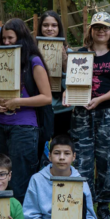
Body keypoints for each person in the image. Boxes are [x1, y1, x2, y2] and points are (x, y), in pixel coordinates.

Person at [64, 12, 110, 219]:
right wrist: (67, 93)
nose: (101, 31)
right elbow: (71, 82)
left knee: (108, 159)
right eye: (97, 27)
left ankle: (104, 206)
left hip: (108, 112)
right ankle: (85, 204)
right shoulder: (80, 54)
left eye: (105, 27)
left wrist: (99, 100)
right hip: (82, 113)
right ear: (91, 30)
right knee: (82, 159)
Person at [0, 19, 52, 204]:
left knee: (20, 179)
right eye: (4, 39)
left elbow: (47, 97)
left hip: (24, 128)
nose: (7, 42)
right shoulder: (1, 60)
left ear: (22, 38)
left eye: (11, 38)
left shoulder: (33, 61)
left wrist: (18, 101)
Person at [23, 135, 98, 219]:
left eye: (67, 153)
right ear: (50, 156)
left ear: (73, 157)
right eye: (57, 153)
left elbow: (91, 215)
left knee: (78, 195)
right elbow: (30, 214)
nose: (62, 157)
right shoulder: (37, 180)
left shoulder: (81, 181)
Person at [36, 10, 72, 139]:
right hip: (39, 108)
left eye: (54, 25)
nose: (50, 29)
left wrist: (64, 62)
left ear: (59, 28)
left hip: (63, 109)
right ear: (40, 28)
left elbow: (73, 84)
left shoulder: (69, 52)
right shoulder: (33, 52)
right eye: (45, 25)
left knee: (61, 146)